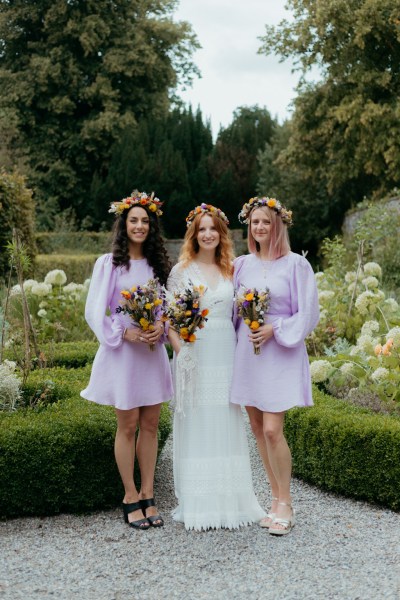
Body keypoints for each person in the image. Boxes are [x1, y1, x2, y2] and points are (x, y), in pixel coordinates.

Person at [167, 203, 265, 531]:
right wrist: (183, 353)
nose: (207, 234)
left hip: (226, 351)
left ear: (221, 234)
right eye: (202, 229)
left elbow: (244, 313)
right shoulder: (182, 271)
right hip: (195, 351)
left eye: (213, 229)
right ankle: (200, 502)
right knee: (198, 417)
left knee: (226, 415)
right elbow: (169, 321)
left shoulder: (232, 270)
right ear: (193, 235)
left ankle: (232, 498)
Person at [81, 190, 173, 530]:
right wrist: (124, 333)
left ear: (151, 227)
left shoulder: (159, 265)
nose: (139, 226)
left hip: (151, 354)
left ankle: (149, 494)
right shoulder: (109, 264)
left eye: (145, 221)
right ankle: (130, 495)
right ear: (124, 224)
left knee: (150, 425)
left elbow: (168, 309)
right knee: (128, 425)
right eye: (133, 220)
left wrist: (161, 326)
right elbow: (94, 311)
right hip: (123, 355)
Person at [231, 196, 319, 536]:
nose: (259, 227)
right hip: (248, 352)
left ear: (277, 224)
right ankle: (273, 498)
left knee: (272, 429)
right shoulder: (242, 265)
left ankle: (286, 503)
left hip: (279, 351)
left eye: (265, 221)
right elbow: (231, 308)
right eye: (254, 222)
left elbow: (308, 312)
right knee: (256, 427)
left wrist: (275, 329)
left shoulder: (296, 265)